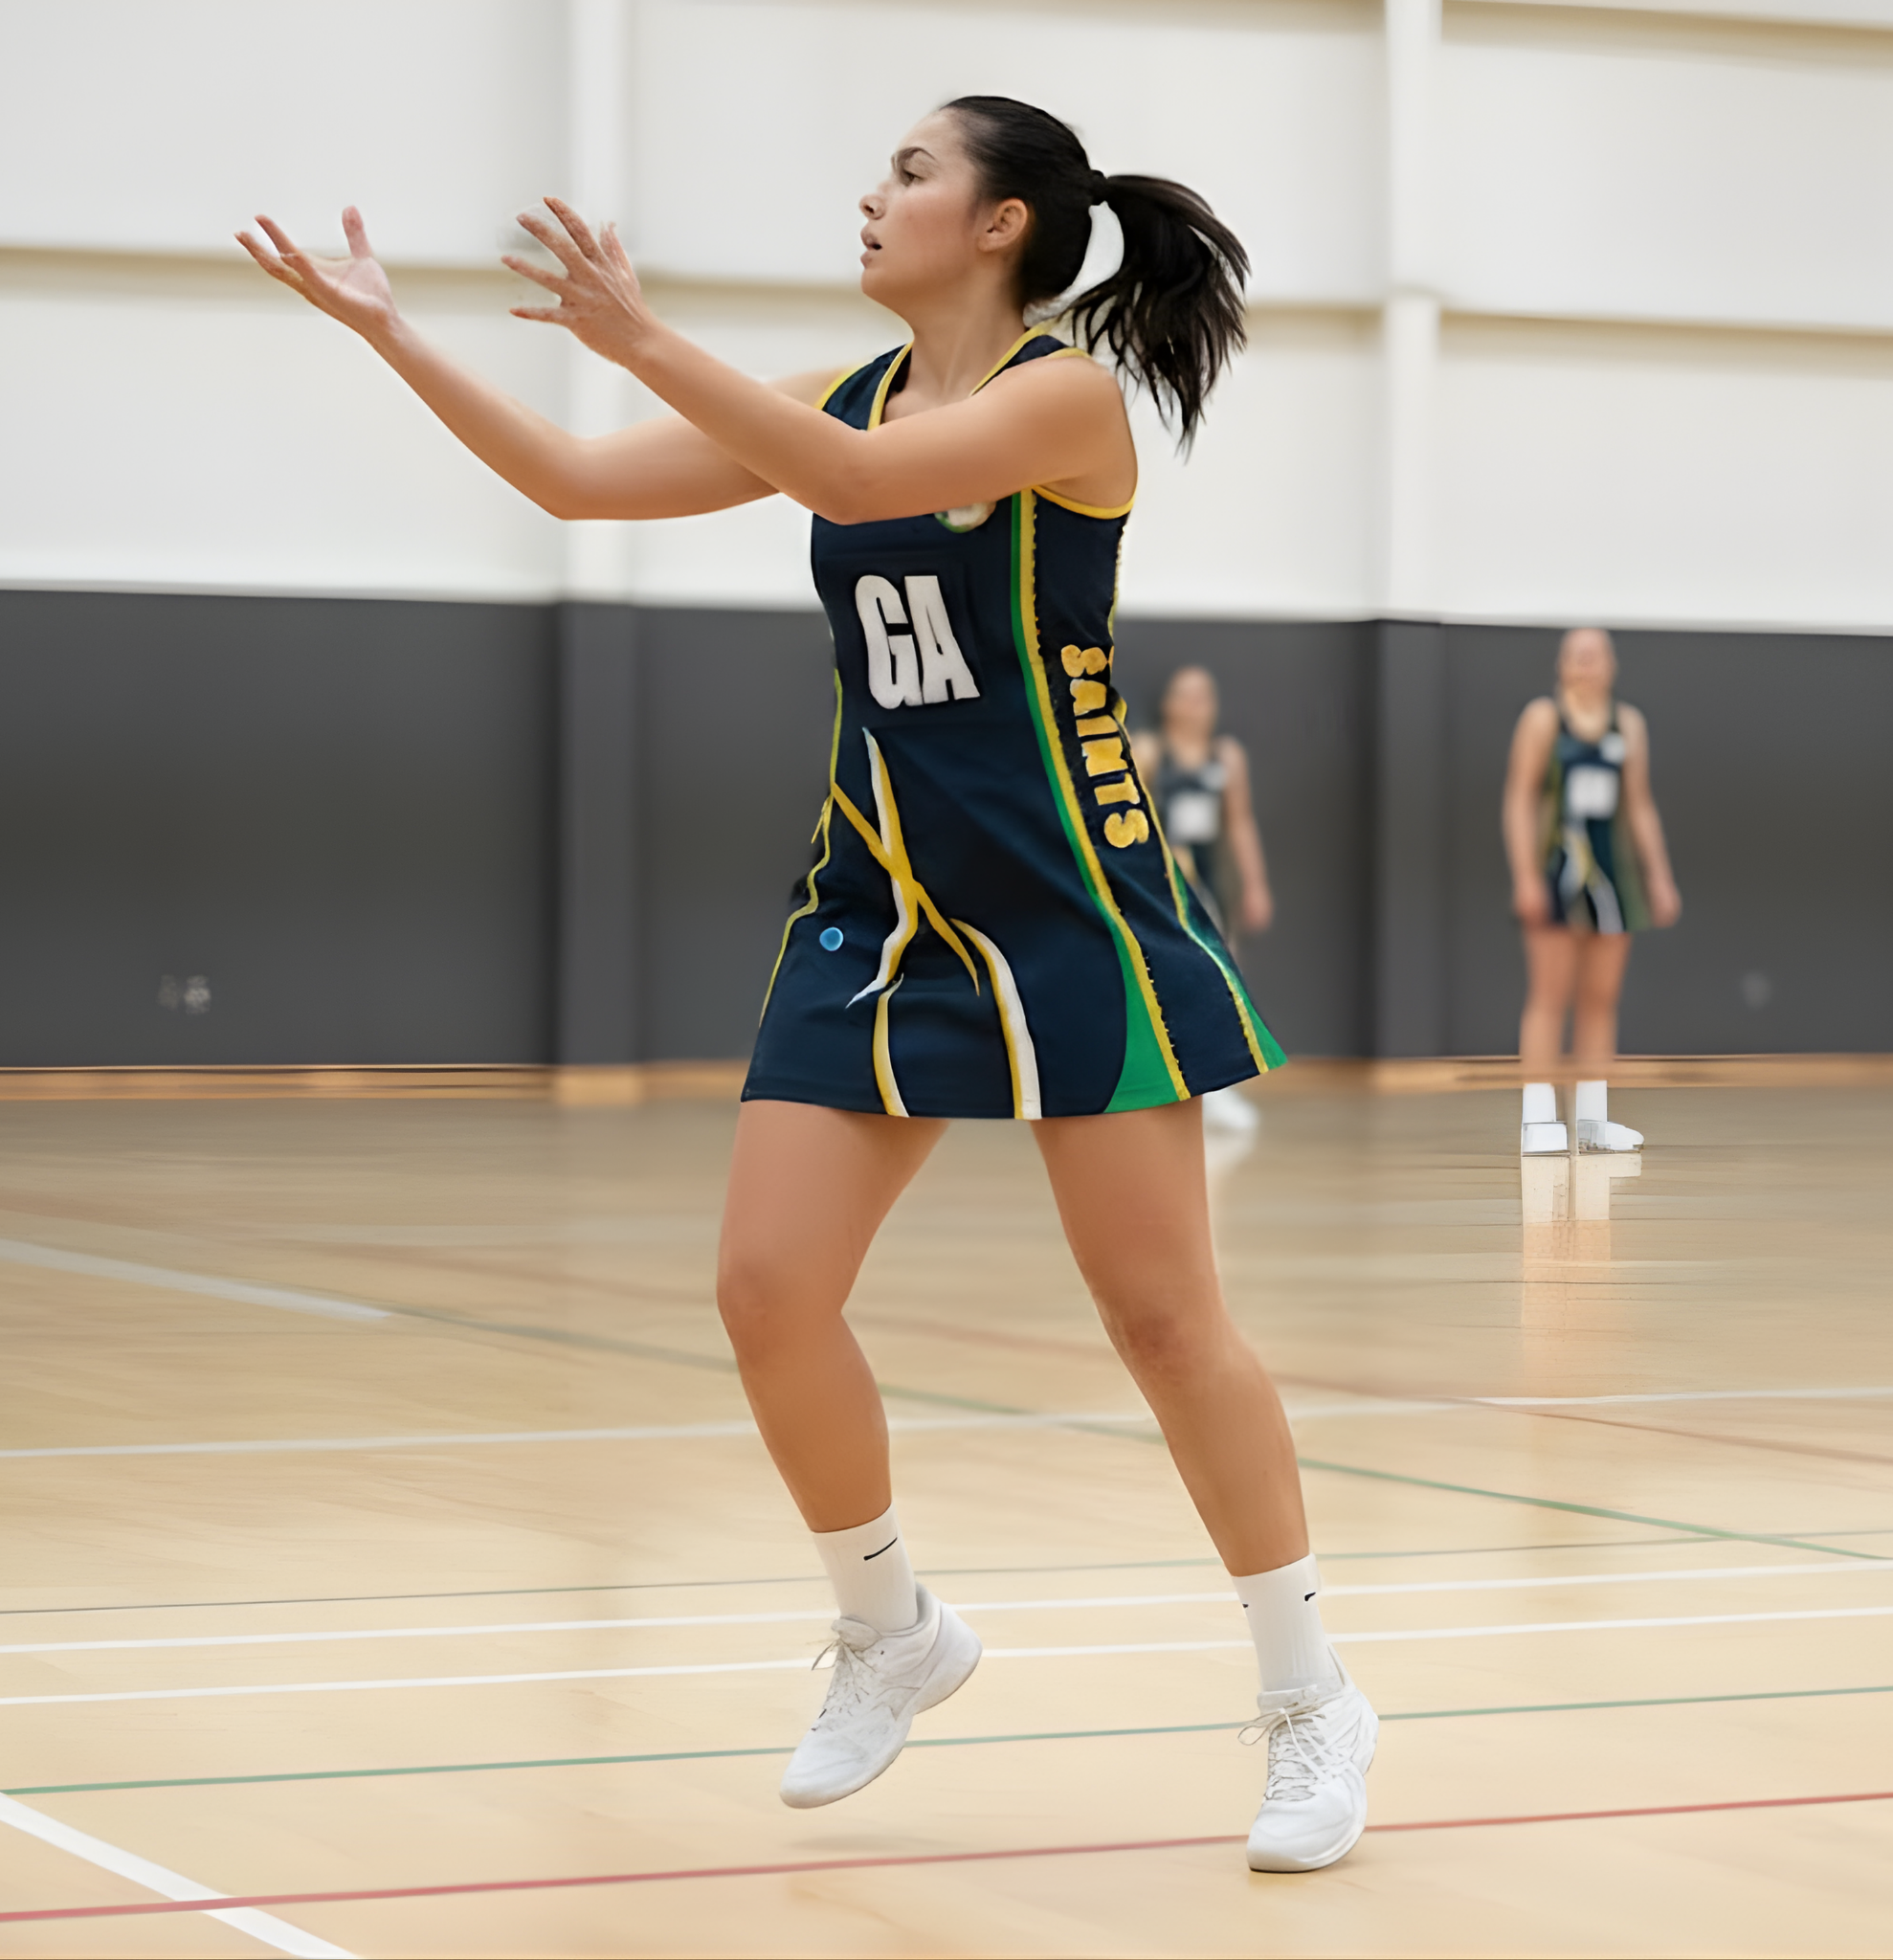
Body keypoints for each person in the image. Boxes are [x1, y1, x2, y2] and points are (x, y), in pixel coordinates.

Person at [238, 94, 1376, 1874]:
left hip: (1075, 907)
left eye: (911, 170)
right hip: (880, 907)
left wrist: (643, 337)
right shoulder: (843, 399)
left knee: (1162, 1321)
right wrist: (395, 336)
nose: (873, 192)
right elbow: (574, 479)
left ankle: (1309, 1694)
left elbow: (848, 492)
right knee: (765, 1287)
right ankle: (891, 1628)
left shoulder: (1061, 398)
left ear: (999, 224)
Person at [1503, 627, 1681, 1154]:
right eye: (1576, 654)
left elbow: (1640, 805)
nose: (1586, 662)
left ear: (1611, 664)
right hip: (1558, 870)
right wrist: (1525, 877)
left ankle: (1592, 1121)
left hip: (1608, 875)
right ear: (1562, 664)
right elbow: (1519, 799)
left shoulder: (1628, 724)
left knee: (1601, 998)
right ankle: (1537, 1119)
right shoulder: (1542, 719)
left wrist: (1659, 875)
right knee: (1550, 994)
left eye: (1596, 653)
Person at [1133, 665, 1274, 1137]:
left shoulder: (1226, 756)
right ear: (1168, 703)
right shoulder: (1150, 750)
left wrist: (1255, 884)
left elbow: (1240, 823)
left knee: (1223, 972)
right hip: (1158, 881)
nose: (1195, 705)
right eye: (1185, 695)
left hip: (1207, 882)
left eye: (1204, 696)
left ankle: (1217, 1085)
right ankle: (1162, 1082)